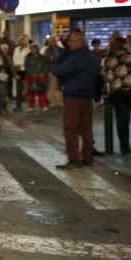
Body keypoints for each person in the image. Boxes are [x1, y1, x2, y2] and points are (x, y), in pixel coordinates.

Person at [53, 29, 100, 169]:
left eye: (72, 41)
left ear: (81, 41)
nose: (70, 44)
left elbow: (59, 71)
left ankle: (74, 160)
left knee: (70, 128)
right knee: (86, 129)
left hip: (73, 95)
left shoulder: (76, 56)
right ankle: (87, 158)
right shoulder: (92, 57)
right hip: (87, 96)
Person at [102, 36, 131, 155]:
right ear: (125, 44)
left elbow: (107, 77)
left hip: (118, 93)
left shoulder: (107, 59)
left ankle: (124, 147)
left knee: (122, 121)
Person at [23, 43, 49, 111]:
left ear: (37, 49)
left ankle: (43, 105)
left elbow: (45, 66)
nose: (33, 50)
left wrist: (43, 73)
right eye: (31, 49)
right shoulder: (27, 57)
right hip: (31, 77)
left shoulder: (42, 57)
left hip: (40, 77)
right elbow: (26, 67)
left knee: (41, 92)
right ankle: (31, 106)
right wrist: (32, 74)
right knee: (31, 91)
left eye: (34, 49)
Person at [11, 35, 30, 111]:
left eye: (21, 40)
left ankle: (23, 104)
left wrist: (20, 64)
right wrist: (16, 65)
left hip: (24, 70)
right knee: (18, 88)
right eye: (19, 40)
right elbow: (14, 58)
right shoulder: (16, 49)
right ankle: (18, 106)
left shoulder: (27, 50)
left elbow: (27, 59)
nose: (20, 42)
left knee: (23, 88)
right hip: (17, 70)